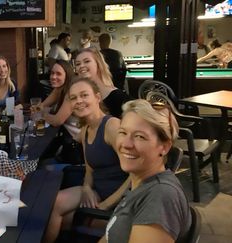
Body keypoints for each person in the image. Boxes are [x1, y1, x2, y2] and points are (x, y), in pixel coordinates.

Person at [43, 77, 129, 243]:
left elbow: (135, 175)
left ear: (97, 97)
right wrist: (86, 188)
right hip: (97, 191)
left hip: (120, 200)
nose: (79, 101)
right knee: (52, 204)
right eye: (73, 98)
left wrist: (106, 204)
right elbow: (90, 169)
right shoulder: (85, 130)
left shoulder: (112, 126)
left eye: (84, 95)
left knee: (66, 219)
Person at [100, 99, 191, 243]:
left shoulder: (161, 197)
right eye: (122, 132)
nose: (126, 144)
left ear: (165, 147)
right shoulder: (142, 184)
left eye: (139, 136)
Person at [39, 60, 83, 165]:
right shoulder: (60, 88)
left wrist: (42, 114)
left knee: (43, 163)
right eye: (52, 73)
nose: (53, 77)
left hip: (79, 147)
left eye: (58, 74)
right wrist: (38, 109)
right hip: (69, 140)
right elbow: (42, 106)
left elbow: (57, 121)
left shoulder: (71, 92)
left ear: (67, 75)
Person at [74, 48, 133, 118]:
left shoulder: (118, 97)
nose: (81, 66)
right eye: (78, 64)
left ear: (98, 64)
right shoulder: (83, 98)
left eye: (87, 61)